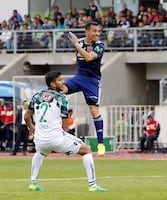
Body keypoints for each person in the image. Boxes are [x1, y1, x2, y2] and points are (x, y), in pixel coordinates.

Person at [24, 71, 107, 192]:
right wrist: (66, 136)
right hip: (56, 138)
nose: (63, 82)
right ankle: (93, 185)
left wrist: (32, 128)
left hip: (40, 139)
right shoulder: (61, 97)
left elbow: (26, 117)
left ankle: (33, 183)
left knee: (40, 153)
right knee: (86, 150)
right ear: (52, 84)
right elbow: (65, 122)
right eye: (60, 80)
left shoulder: (36, 96)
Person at [62, 21, 106, 155]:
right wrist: (76, 59)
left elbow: (88, 57)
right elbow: (80, 55)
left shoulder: (99, 46)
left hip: (92, 81)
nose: (97, 34)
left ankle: (101, 144)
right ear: (87, 31)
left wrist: (76, 45)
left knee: (93, 110)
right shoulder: (80, 42)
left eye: (99, 31)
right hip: (79, 77)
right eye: (95, 31)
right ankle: (60, 133)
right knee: (59, 90)